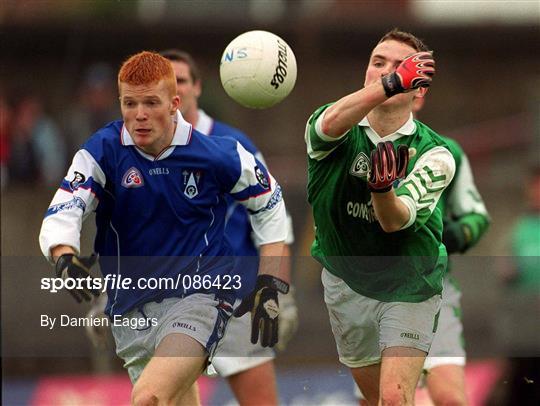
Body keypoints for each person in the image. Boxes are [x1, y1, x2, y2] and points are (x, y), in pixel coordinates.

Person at [39, 51, 290, 405]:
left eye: (151, 103)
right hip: (131, 310)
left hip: (201, 298)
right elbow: (67, 206)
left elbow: (270, 204)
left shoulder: (218, 153)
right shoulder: (102, 151)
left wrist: (269, 280)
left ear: (174, 104)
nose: (139, 115)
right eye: (130, 103)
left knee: (149, 397)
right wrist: (63, 253)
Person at [305, 28, 455, 405]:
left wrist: (382, 190)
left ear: (419, 90)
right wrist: (390, 83)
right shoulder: (330, 125)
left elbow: (395, 220)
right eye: (378, 64)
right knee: (376, 402)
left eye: (401, 69)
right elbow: (329, 123)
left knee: (393, 397)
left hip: (409, 283)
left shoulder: (436, 154)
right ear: (367, 76)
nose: (388, 73)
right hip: (346, 284)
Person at [353, 95, 491, 405]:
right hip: (372, 292)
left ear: (419, 96)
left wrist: (451, 235)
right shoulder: (353, 147)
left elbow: (476, 215)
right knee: (377, 400)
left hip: (430, 289)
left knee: (450, 398)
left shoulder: (445, 151)